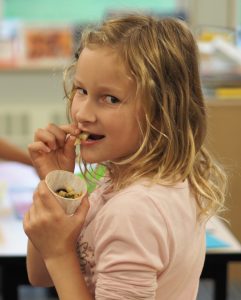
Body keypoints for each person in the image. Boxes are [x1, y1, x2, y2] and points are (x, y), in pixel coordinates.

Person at [23, 14, 227, 300]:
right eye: (82, 90)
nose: (82, 113)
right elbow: (41, 275)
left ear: (160, 112)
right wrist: (57, 186)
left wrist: (59, 252)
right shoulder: (121, 179)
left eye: (111, 99)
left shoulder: (135, 211)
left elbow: (52, 263)